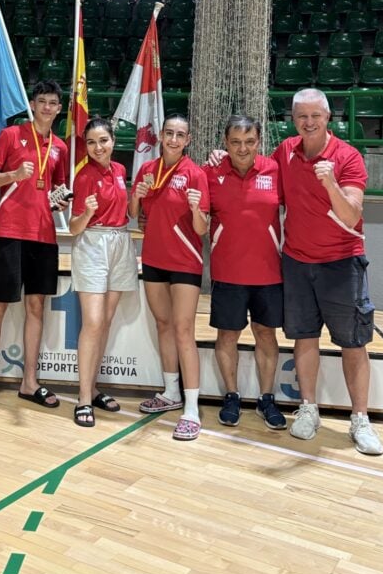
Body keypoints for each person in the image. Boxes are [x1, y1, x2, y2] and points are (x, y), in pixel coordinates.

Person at [273, 88, 383, 455]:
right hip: (298, 262)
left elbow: (352, 213)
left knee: (353, 343)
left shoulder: (348, 157)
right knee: (303, 337)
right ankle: (308, 408)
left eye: (315, 116)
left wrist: (330, 183)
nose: (308, 122)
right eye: (302, 116)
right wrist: (223, 158)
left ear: (328, 117)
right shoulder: (285, 152)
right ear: (294, 119)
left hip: (342, 263)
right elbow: (260, 182)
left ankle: (360, 418)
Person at [0, 80, 69, 412]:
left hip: (43, 235)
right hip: (9, 232)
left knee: (36, 307)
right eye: (42, 101)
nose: (47, 107)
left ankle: (29, 382)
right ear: (33, 104)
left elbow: (55, 189)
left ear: (59, 108)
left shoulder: (60, 147)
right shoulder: (12, 136)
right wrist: (14, 175)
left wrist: (60, 202)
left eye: (53, 103)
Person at [129, 113, 209, 441]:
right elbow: (134, 215)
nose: (174, 139)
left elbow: (203, 229)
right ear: (161, 136)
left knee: (183, 330)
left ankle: (191, 407)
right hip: (153, 260)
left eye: (180, 135)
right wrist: (137, 195)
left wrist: (194, 210)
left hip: (186, 262)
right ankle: (171, 392)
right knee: (163, 325)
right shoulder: (147, 170)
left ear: (188, 140)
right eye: (169, 133)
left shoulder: (195, 174)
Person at [206, 114, 286, 430]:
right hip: (227, 272)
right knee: (227, 335)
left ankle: (267, 398)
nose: (242, 149)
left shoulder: (275, 170)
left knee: (266, 334)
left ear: (258, 142)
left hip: (269, 273)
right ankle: (231, 395)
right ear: (225, 143)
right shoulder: (210, 172)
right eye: (236, 142)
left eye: (249, 142)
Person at [69, 117, 138, 427]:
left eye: (103, 141)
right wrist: (87, 212)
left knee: (106, 322)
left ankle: (93, 387)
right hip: (92, 244)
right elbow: (73, 228)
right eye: (92, 142)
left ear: (113, 141)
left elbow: (128, 212)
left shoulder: (121, 171)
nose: (98, 147)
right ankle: (83, 398)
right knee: (93, 322)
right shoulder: (83, 176)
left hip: (121, 242)